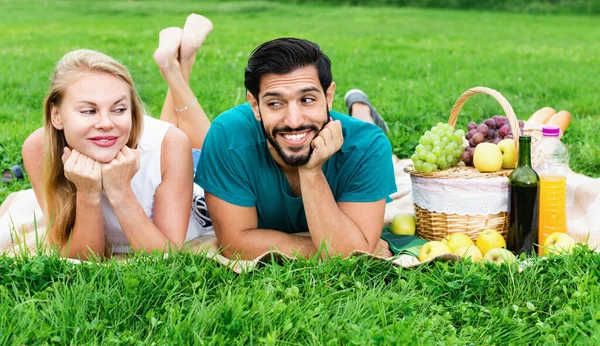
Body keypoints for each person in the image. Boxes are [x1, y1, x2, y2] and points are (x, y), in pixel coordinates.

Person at [20, 14, 214, 260]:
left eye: (119, 109)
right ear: (56, 115)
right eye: (89, 110)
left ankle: (176, 68)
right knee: (168, 136)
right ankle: (177, 63)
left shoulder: (169, 142)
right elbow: (82, 258)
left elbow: (166, 257)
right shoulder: (39, 147)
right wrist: (88, 191)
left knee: (207, 149)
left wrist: (120, 189)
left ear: (132, 110)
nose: (105, 123)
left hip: (193, 175)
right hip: (163, 150)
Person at [195, 38, 397, 260]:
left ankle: (361, 110)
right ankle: (359, 108)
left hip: (359, 133)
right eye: (275, 103)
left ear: (328, 97)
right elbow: (235, 245)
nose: (293, 120)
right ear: (255, 105)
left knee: (364, 128)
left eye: (307, 99)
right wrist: (338, 248)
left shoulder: (368, 145)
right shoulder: (228, 135)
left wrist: (311, 171)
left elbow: (351, 255)